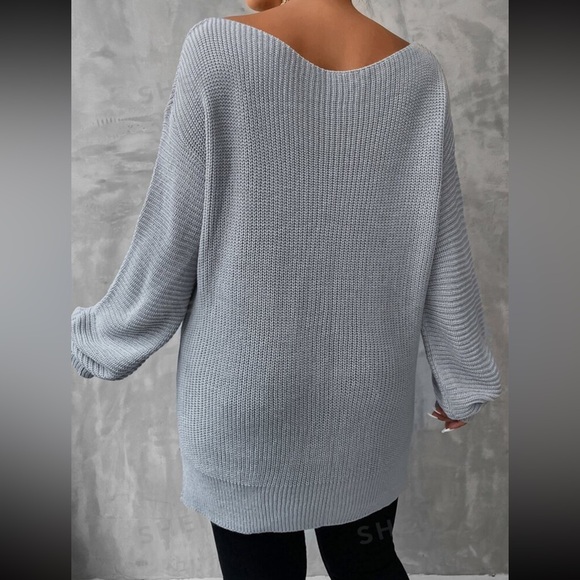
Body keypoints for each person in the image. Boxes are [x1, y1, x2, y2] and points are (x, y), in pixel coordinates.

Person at [71, 0, 503, 578]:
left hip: (243, 400)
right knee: (367, 561)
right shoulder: (418, 73)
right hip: (366, 404)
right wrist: (463, 375)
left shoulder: (217, 49)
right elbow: (444, 242)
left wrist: (99, 339)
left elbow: (171, 233)